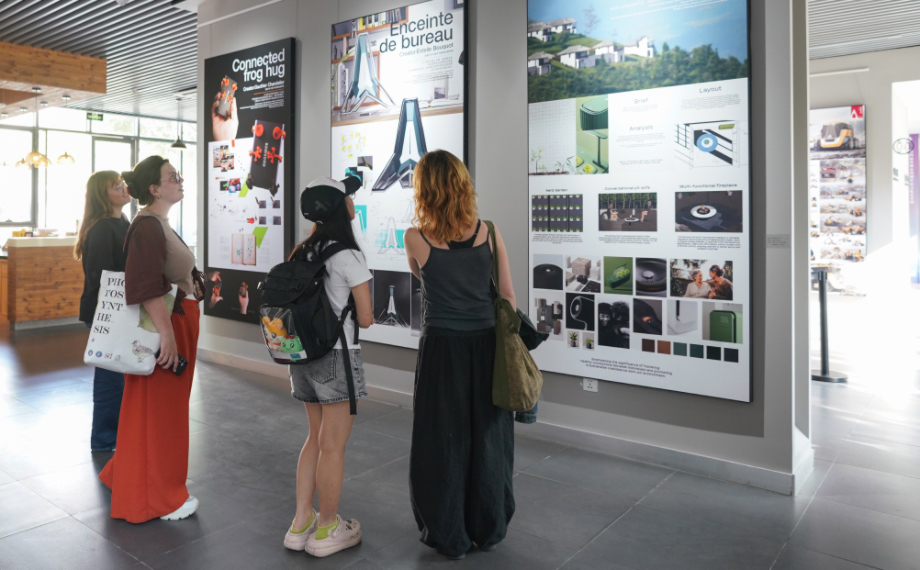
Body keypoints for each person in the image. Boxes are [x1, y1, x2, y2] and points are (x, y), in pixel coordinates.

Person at [403, 150, 516, 560]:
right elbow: (508, 296)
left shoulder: (415, 237)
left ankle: (450, 534)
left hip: (442, 348)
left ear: (424, 190)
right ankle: (488, 527)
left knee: (442, 440)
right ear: (462, 184)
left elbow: (422, 278)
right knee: (489, 438)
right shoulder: (490, 232)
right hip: (486, 345)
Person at [98, 156, 205, 524]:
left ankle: (129, 476)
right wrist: (166, 335)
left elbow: (166, 275)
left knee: (155, 408)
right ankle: (159, 498)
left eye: (178, 175)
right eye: (172, 177)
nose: (180, 180)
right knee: (162, 413)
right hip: (167, 324)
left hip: (177, 320)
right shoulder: (147, 225)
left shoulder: (158, 223)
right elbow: (144, 285)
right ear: (155, 189)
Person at [284, 177, 373, 558]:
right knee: (333, 446)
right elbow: (365, 318)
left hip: (303, 358)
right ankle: (327, 529)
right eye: (348, 197)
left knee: (314, 439)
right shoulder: (348, 256)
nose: (353, 202)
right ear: (340, 207)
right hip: (337, 358)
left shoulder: (301, 251)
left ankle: (300, 522)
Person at [74, 171, 132, 453]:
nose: (123, 189)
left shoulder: (123, 221)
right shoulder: (102, 228)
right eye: (116, 186)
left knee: (119, 376)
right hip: (106, 310)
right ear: (102, 194)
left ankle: (116, 435)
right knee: (111, 379)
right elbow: (101, 277)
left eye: (122, 184)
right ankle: (105, 439)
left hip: (119, 309)